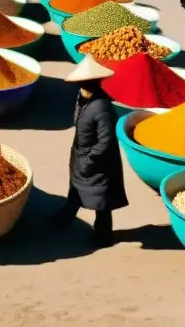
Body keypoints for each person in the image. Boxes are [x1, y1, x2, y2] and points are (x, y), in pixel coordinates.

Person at [51, 56, 128, 247]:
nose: (80, 89)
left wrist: (89, 160)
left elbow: (106, 141)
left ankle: (104, 236)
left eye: (83, 85)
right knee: (76, 189)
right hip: (81, 155)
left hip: (98, 163)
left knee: (102, 200)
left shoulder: (101, 107)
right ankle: (64, 218)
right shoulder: (84, 99)